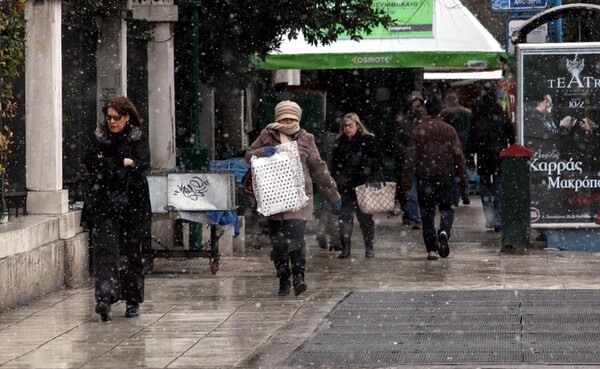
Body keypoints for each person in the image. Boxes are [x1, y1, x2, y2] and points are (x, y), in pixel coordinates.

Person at [244, 101, 341, 297]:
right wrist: (263, 152)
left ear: (297, 118)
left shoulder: (306, 138)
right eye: (284, 118)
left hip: (299, 199)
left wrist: (333, 193)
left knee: (296, 240)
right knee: (278, 243)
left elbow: (318, 167)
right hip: (273, 198)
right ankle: (283, 277)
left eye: (291, 118)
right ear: (278, 118)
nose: (288, 121)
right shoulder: (267, 135)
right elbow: (248, 155)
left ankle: (299, 277)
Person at [82, 96, 152, 321]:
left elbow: (141, 167)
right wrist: (121, 163)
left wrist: (110, 165)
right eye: (108, 117)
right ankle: (104, 298)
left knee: (132, 253)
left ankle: (132, 301)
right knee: (106, 252)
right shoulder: (99, 137)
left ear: (127, 117)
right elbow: (91, 162)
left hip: (133, 204)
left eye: (116, 117)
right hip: (104, 204)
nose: (112, 122)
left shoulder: (137, 137)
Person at [402, 96, 467, 261]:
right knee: (447, 208)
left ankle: (431, 249)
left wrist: (406, 183)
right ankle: (444, 230)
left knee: (427, 213)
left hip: (425, 178)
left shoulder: (418, 130)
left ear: (426, 110)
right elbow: (458, 156)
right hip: (445, 177)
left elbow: (410, 159)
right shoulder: (449, 130)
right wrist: (462, 179)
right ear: (441, 110)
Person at [331, 112, 383, 259]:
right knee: (345, 219)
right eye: (345, 126)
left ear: (357, 125)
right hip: (345, 186)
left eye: (350, 125)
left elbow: (378, 160)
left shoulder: (368, 140)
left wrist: (365, 164)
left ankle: (369, 247)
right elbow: (334, 164)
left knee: (365, 219)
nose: (348, 129)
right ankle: (346, 248)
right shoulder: (340, 142)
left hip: (363, 185)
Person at [467, 87, 516, 232]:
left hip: (483, 156)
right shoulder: (501, 115)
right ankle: (499, 220)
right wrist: (511, 146)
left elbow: (472, 139)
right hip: (499, 155)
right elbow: (511, 134)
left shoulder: (478, 116)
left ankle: (489, 218)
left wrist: (470, 157)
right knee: (499, 188)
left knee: (485, 188)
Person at [392, 91, 423, 229]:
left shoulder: (423, 121)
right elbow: (396, 140)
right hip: (406, 161)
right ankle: (411, 215)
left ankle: (414, 216)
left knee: (413, 189)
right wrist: (407, 153)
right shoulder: (402, 121)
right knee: (407, 189)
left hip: (419, 160)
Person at [315, 116, 341, 251]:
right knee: (336, 210)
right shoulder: (339, 140)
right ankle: (335, 240)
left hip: (321, 176)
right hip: (335, 177)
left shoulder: (319, 140)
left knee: (324, 207)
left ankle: (321, 231)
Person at [441, 92, 472, 206]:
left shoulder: (444, 115)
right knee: (463, 170)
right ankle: (465, 193)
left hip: (449, 146)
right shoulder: (467, 114)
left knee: (452, 172)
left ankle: (455, 196)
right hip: (464, 145)